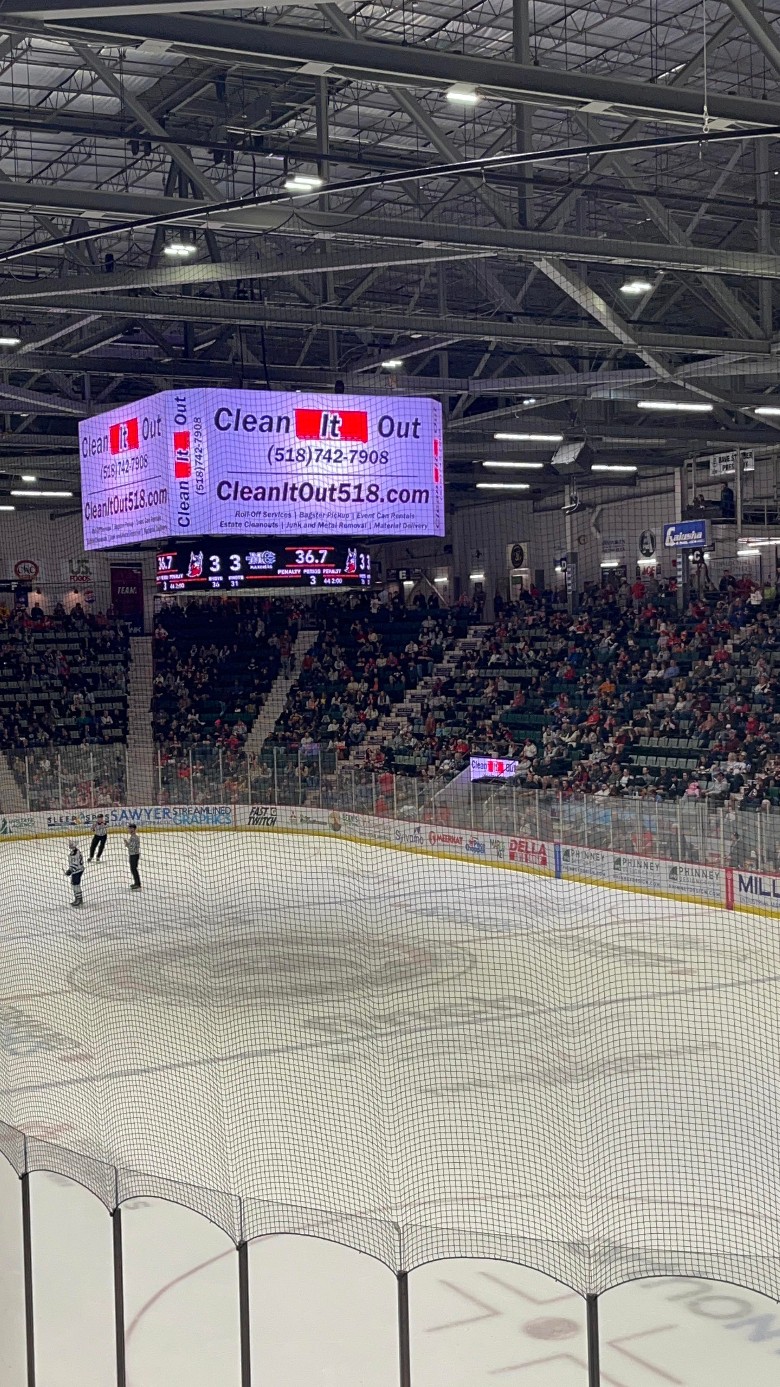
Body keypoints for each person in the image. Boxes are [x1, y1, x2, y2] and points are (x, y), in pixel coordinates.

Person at [65, 840, 84, 908]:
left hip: (77, 871)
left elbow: (75, 864)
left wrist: (70, 871)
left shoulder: (75, 854)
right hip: (77, 870)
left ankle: (79, 900)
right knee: (74, 884)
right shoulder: (75, 852)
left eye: (71, 844)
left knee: (76, 885)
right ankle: (78, 899)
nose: (69, 845)